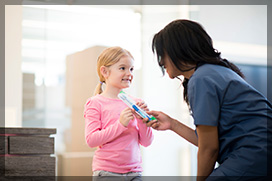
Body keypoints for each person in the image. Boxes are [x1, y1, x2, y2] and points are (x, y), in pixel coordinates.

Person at [144, 19, 272, 180]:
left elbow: (209, 148)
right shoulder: (216, 72)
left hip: (253, 155)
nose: (161, 61)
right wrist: (172, 124)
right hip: (259, 154)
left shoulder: (201, 79)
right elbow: (208, 141)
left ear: (178, 50)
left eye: (163, 53)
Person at [84, 46, 154, 181]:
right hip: (107, 173)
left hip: (135, 172)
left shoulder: (137, 103)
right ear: (105, 71)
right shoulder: (95, 103)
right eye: (122, 68)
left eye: (131, 69)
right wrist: (120, 124)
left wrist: (142, 120)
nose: (129, 73)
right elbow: (91, 140)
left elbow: (147, 142)